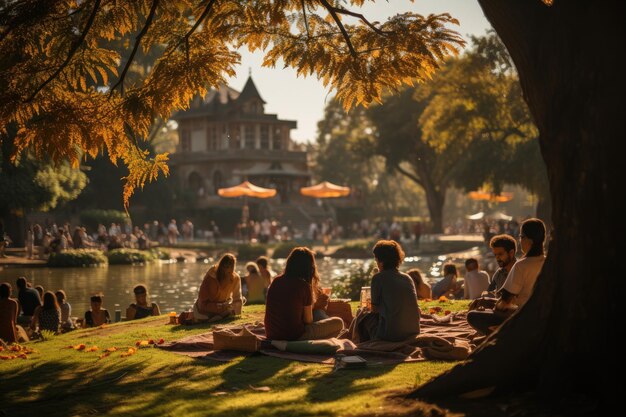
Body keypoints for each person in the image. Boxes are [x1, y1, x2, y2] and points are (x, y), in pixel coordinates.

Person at [467, 218, 546, 335]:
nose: (520, 241)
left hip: (522, 318)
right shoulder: (548, 262)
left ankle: (501, 333)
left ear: (529, 240)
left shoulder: (521, 265)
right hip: (543, 317)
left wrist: (490, 304)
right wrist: (489, 300)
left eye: (521, 237)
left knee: (472, 316)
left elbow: (504, 303)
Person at [265, 247, 344, 340]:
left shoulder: (276, 281)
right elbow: (308, 321)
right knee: (338, 322)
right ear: (309, 267)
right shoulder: (303, 286)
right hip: (294, 337)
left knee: (318, 313)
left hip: (272, 334)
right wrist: (316, 306)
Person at [358, 240, 420, 342]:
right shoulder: (407, 277)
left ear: (381, 261)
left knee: (363, 317)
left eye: (376, 259)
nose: (376, 263)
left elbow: (374, 310)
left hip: (391, 334)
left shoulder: (378, 278)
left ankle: (364, 341)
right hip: (413, 331)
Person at [192, 254, 244, 322]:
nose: (228, 269)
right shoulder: (211, 278)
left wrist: (237, 312)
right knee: (206, 316)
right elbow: (203, 302)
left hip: (224, 306)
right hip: (205, 308)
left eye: (231, 266)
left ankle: (222, 315)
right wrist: (220, 307)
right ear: (221, 266)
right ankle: (220, 316)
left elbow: (237, 298)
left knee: (238, 303)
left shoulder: (235, 278)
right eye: (226, 266)